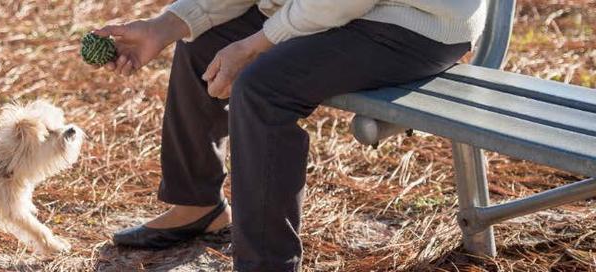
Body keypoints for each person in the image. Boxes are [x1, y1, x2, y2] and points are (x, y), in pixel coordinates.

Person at [94, 0, 486, 271]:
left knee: (262, 87)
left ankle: (267, 265)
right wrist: (163, 26)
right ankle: (197, 205)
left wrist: (253, 46)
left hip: (413, 22)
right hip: (334, 12)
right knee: (204, 44)